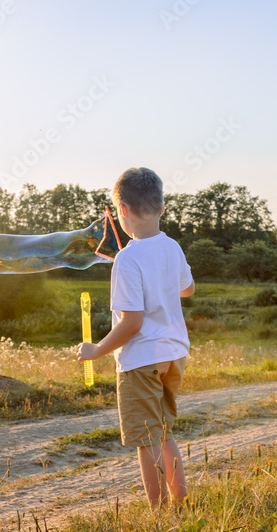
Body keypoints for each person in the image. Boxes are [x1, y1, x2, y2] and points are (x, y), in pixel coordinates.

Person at [77, 167, 195, 508]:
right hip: (174, 355)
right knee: (164, 433)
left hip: (141, 360)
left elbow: (132, 323)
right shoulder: (172, 247)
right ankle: (180, 503)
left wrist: (97, 349)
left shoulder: (127, 258)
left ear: (122, 211)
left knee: (147, 441)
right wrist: (161, 283)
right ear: (161, 208)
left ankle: (157, 513)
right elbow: (187, 289)